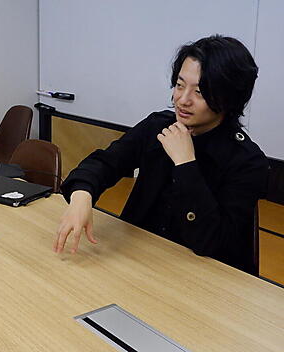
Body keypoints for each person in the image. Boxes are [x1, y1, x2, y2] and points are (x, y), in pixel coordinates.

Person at [53, 35, 269, 274]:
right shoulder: (157, 126)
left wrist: (185, 163)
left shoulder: (248, 162)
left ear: (229, 98)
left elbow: (211, 241)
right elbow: (105, 162)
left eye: (199, 92)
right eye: (179, 85)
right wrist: (82, 195)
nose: (182, 100)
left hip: (202, 278)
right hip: (137, 261)